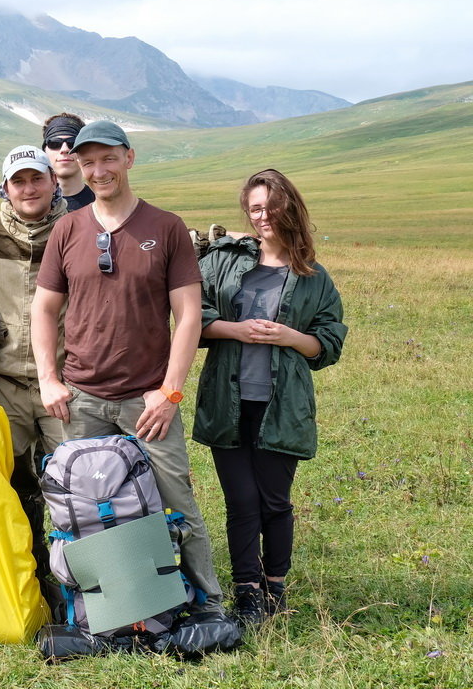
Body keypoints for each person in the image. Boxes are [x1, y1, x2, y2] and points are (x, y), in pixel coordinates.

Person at [31, 120, 224, 614]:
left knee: (174, 497)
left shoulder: (166, 227)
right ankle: (104, 608)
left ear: (129, 158)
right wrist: (50, 379)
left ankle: (206, 603)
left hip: (147, 398)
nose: (98, 170)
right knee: (85, 508)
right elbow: (44, 310)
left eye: (108, 158)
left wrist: (170, 390)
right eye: (88, 161)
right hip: (81, 397)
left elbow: (187, 316)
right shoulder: (67, 230)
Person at [194, 169, 346, 626]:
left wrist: (288, 336)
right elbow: (192, 315)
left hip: (282, 404)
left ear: (290, 208)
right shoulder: (223, 261)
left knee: (274, 501)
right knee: (241, 500)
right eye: (255, 208)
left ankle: (275, 586)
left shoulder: (314, 277)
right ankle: (247, 592)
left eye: (272, 207)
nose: (264, 216)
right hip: (226, 398)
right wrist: (235, 329)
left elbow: (329, 343)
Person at [0, 146, 67, 574]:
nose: (28, 188)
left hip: (62, 381)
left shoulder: (75, 230)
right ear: (4, 188)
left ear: (53, 181)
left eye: (36, 178)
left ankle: (73, 577)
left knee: (73, 480)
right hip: (1, 380)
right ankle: (25, 569)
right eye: (18, 181)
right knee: (6, 483)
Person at [41, 113, 95, 211]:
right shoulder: (32, 204)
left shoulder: (103, 203)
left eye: (72, 143)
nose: (64, 149)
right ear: (44, 151)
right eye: (54, 143)